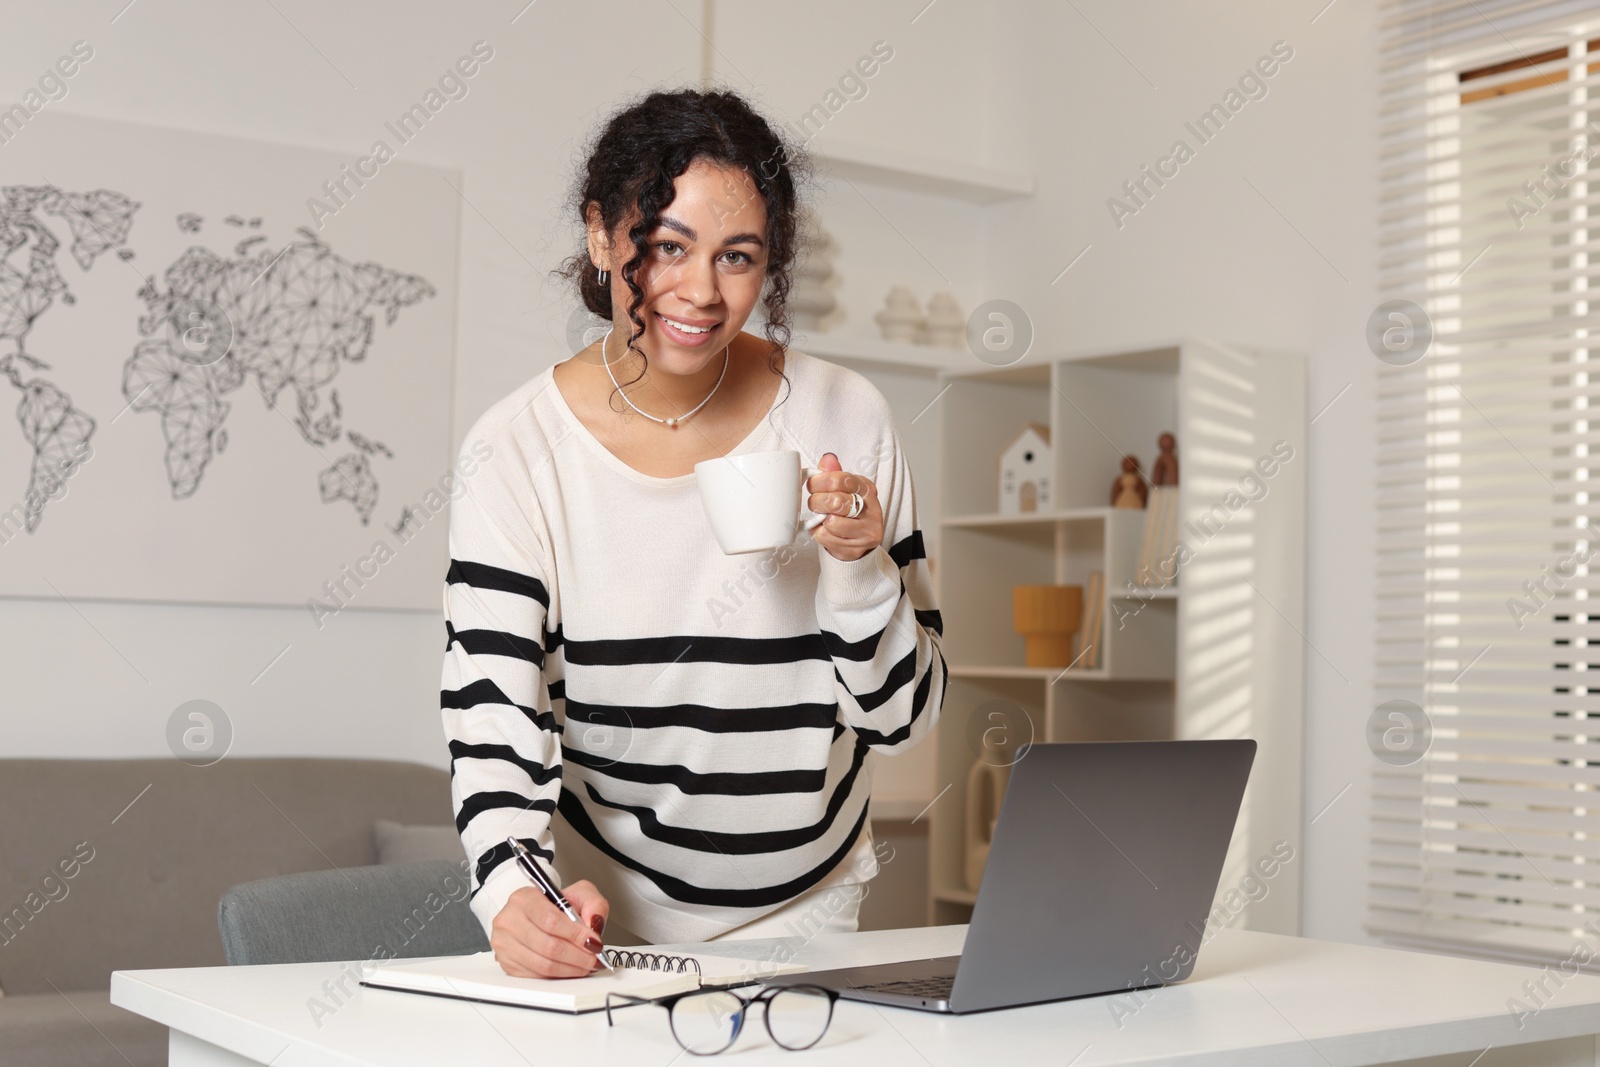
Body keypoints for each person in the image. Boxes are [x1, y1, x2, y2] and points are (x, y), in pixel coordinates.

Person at [440, 88, 948, 980]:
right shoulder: (516, 451)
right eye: (666, 246)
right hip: (609, 912)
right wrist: (514, 892)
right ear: (601, 236)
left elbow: (904, 719)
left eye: (738, 256)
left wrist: (859, 567)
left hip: (810, 906)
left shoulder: (844, 415)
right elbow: (494, 717)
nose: (703, 292)